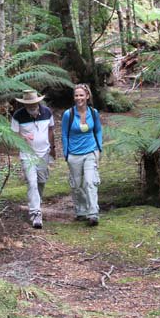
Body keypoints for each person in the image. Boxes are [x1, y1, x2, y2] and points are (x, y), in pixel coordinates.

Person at [11, 89, 56, 229]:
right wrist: (23, 137)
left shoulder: (47, 112)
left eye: (34, 104)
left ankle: (36, 203)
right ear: (24, 104)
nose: (31, 106)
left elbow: (51, 130)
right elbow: (13, 135)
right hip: (27, 155)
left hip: (43, 154)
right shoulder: (18, 115)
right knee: (32, 182)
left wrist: (53, 148)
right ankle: (36, 213)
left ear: (38, 102)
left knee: (41, 181)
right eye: (29, 104)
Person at [61, 83, 103, 226]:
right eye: (76, 95)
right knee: (77, 185)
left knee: (90, 182)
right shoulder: (69, 114)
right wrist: (66, 153)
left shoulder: (93, 112)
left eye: (81, 95)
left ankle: (93, 213)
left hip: (90, 151)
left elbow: (98, 130)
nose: (79, 98)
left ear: (87, 96)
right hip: (74, 154)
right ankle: (81, 210)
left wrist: (99, 147)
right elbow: (64, 134)